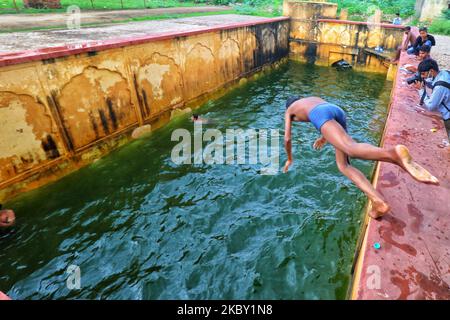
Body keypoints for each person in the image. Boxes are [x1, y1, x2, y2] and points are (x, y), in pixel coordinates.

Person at [283, 96, 439, 219]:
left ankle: (393, 153)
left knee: (351, 149)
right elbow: (326, 114)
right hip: (336, 111)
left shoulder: (290, 110)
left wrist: (290, 158)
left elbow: (287, 139)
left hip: (321, 115)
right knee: (343, 165)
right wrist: (323, 137)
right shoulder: (311, 99)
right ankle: (379, 202)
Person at [414, 59, 450, 136]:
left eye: (423, 74)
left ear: (431, 71)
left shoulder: (440, 86)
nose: (422, 76)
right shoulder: (444, 72)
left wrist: (420, 90)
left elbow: (431, 106)